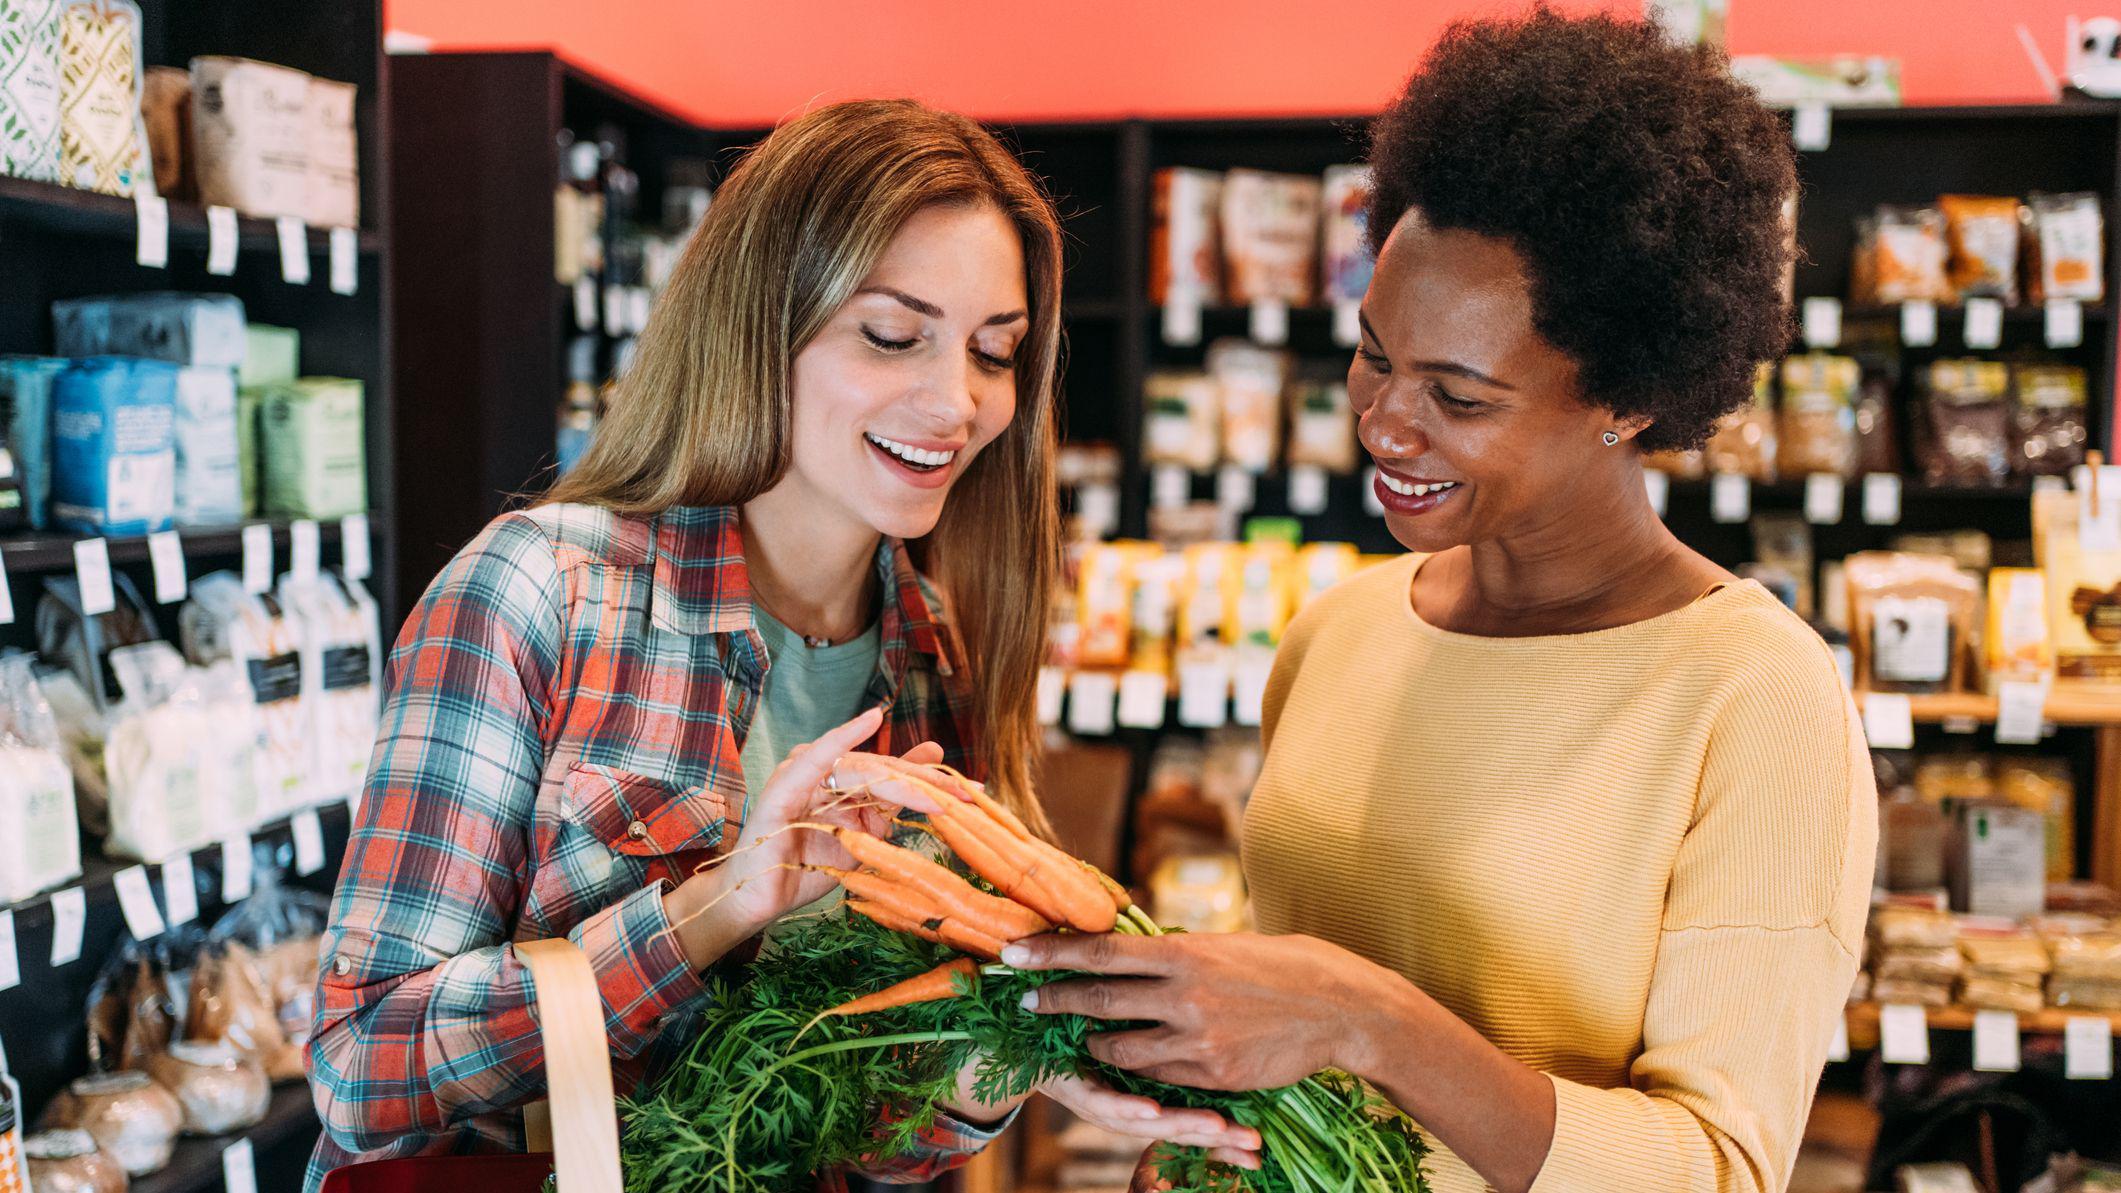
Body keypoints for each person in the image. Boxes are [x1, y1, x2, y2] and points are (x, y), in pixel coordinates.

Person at [304, 99, 1253, 1191]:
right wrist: (718, 904)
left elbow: (867, 1138)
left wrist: (1004, 1064)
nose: (956, 401)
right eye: (892, 335)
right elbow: (359, 1062)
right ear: (762, 321)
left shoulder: (930, 656)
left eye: (996, 351)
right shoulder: (543, 595)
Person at [1005, 12, 1877, 1193]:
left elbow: (1714, 1168)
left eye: (1460, 396)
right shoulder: (1341, 631)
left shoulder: (1755, 696)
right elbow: (1283, 1045)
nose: (1385, 423)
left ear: (1628, 395)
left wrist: (1369, 1020)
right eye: (1374, 355)